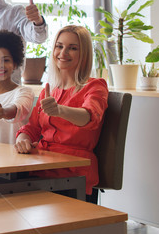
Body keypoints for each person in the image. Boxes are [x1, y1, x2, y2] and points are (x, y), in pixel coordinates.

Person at [14, 25, 108, 201]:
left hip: (72, 172)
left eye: (73, 48)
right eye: (59, 46)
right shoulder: (49, 90)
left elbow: (90, 117)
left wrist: (59, 110)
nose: (63, 52)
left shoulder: (95, 86)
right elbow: (32, 127)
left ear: (84, 54)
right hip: (42, 166)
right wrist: (22, 140)